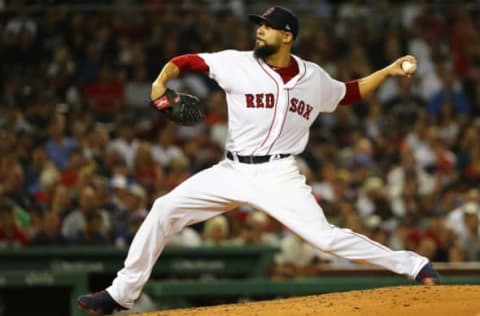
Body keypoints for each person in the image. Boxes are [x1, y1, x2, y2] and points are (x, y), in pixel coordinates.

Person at [77, 6, 440, 314]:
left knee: (326, 239)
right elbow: (184, 62)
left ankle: (415, 264)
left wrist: (388, 72)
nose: (259, 31)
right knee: (163, 209)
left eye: (267, 27)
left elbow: (347, 93)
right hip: (231, 170)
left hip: (278, 173)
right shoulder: (236, 63)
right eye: (259, 26)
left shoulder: (313, 77)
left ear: (287, 36)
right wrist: (159, 86)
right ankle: (120, 295)